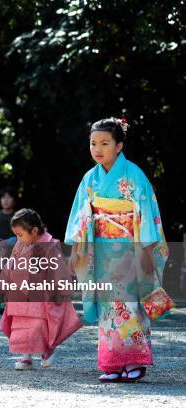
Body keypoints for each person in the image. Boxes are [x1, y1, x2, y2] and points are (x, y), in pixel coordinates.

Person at [65, 117, 173, 382]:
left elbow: (145, 213)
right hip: (101, 251)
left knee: (129, 306)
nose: (97, 148)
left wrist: (146, 252)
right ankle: (112, 363)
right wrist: (76, 251)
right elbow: (82, 217)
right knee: (107, 308)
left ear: (119, 145)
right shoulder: (90, 178)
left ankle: (134, 361)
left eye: (104, 143)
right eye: (93, 143)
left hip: (129, 250)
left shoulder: (134, 175)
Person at [0, 209, 82, 370]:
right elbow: (11, 263)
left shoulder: (49, 245)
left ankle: (46, 350)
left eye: (20, 235)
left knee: (38, 325)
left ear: (35, 231)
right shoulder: (20, 244)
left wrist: (60, 289)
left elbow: (58, 268)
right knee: (20, 326)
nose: (18, 238)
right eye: (16, 235)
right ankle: (26, 356)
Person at [0, 187, 18, 314]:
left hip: (15, 251)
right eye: (3, 197)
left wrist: (9, 241)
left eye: (9, 197)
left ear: (14, 200)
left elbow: (21, 234)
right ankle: (1, 302)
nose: (6, 200)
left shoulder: (18, 216)